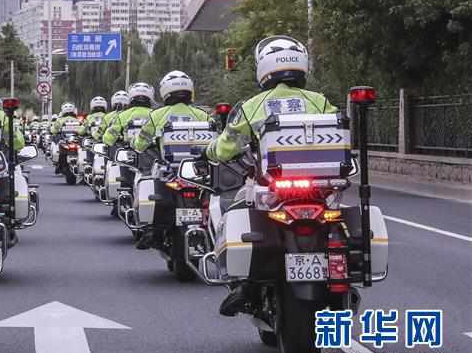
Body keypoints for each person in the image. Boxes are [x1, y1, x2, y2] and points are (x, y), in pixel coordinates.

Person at [206, 35, 337, 316]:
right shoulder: (320, 102)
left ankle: (242, 284)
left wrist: (211, 151)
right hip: (319, 187)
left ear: (263, 68)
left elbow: (227, 145)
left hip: (271, 186)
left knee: (236, 209)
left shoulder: (252, 106)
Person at [133, 71, 211, 154]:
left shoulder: (156, 115)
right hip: (197, 164)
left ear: (165, 90)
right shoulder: (203, 115)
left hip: (167, 164)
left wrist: (134, 143)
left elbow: (140, 145)